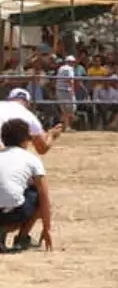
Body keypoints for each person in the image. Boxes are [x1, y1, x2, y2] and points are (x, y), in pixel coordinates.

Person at [0, 118, 53, 252]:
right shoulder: (31, 159)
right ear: (25, 140)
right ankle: (22, 238)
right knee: (35, 192)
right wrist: (47, 229)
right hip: (12, 214)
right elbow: (44, 195)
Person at [0, 88, 63, 155]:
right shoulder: (29, 116)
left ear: (9, 99)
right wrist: (51, 135)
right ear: (28, 103)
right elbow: (42, 149)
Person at [54, 55, 77, 132]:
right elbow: (70, 80)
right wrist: (73, 91)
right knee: (70, 109)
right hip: (66, 90)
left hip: (59, 90)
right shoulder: (69, 68)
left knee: (65, 110)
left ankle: (64, 126)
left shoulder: (61, 68)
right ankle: (67, 127)